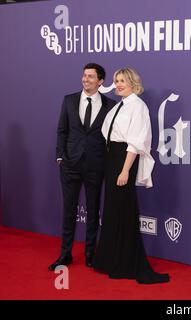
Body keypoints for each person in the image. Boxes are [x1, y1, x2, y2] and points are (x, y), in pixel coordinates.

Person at [93, 67, 169, 284]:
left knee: (124, 210)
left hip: (124, 160)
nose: (118, 84)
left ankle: (126, 263)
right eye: (116, 80)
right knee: (112, 210)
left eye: (123, 80)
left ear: (133, 82)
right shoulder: (121, 106)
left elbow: (135, 142)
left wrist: (125, 170)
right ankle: (109, 260)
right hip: (112, 158)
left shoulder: (138, 107)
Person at [49, 63, 116, 271]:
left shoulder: (110, 105)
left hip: (96, 165)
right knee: (69, 211)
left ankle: (89, 254)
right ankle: (65, 254)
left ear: (100, 81)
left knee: (93, 209)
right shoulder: (69, 100)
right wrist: (60, 156)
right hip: (70, 164)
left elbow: (111, 137)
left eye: (90, 76)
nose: (85, 79)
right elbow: (62, 130)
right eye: (84, 76)